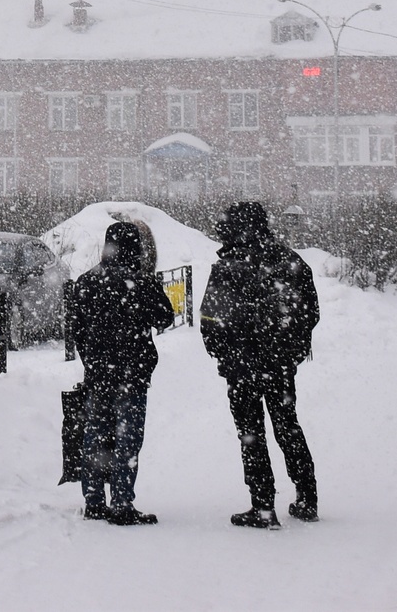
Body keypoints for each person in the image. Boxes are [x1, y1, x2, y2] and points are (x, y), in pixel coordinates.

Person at [199, 201, 320, 529]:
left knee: (251, 433)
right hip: (279, 365)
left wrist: (222, 354)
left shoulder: (227, 267)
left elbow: (210, 319)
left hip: (241, 367)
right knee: (287, 426)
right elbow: (310, 312)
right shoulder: (290, 261)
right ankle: (307, 496)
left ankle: (263, 505)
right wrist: (292, 349)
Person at [64, 220, 176, 525]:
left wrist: (93, 361)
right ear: (136, 247)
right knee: (127, 438)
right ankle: (122, 502)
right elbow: (165, 318)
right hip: (133, 374)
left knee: (96, 435)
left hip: (99, 373)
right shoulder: (141, 282)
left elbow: (76, 330)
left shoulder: (87, 281)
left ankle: (94, 500)